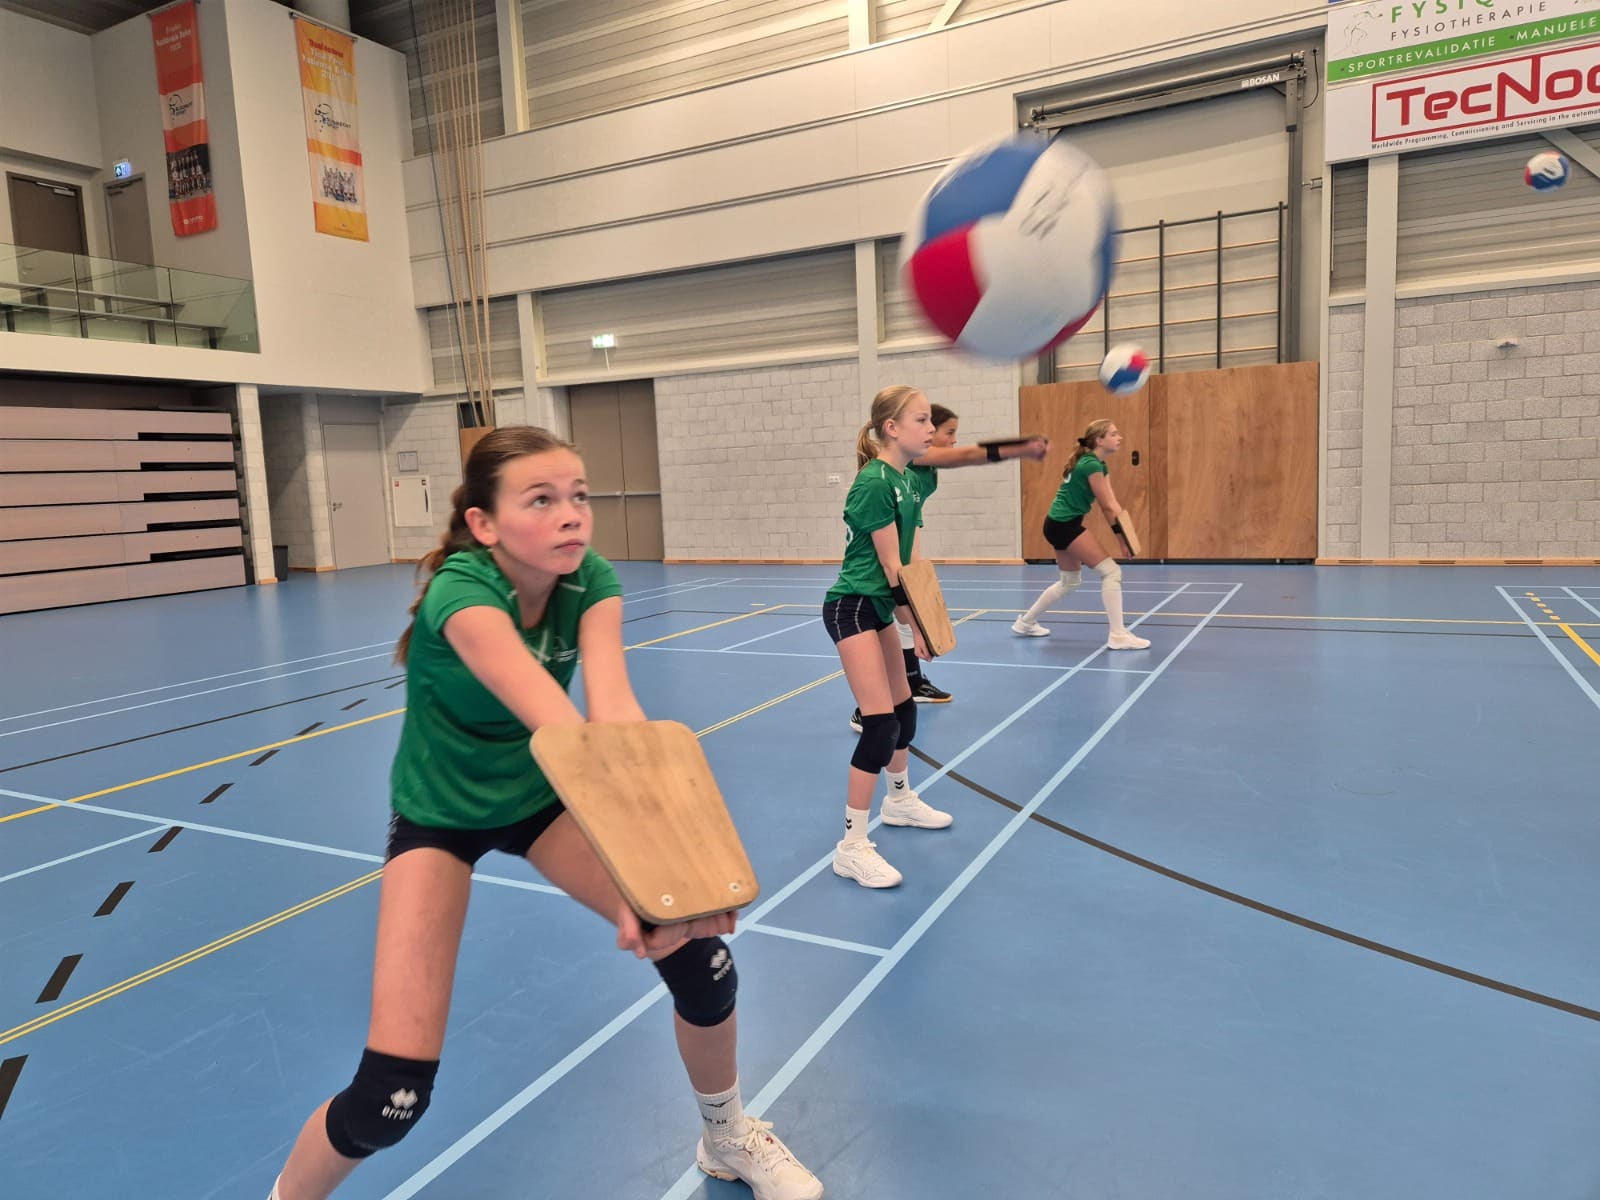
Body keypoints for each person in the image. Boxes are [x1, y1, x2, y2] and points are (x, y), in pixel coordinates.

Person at [267, 427, 821, 1200]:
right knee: (391, 1099)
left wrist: (670, 881)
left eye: (579, 497)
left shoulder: (589, 580)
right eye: (542, 500)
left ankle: (725, 1136)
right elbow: (560, 727)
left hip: (537, 799)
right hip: (441, 815)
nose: (571, 516)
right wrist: (638, 875)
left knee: (703, 961)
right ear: (485, 526)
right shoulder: (462, 595)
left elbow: (617, 715)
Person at [823, 387, 954, 890]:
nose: (931, 428)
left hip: (879, 604)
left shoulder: (910, 482)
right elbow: (891, 568)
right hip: (853, 605)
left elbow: (914, 567)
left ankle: (899, 801)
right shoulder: (875, 482)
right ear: (892, 429)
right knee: (879, 725)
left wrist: (923, 622)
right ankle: (851, 847)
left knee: (905, 711)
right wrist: (915, 627)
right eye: (922, 420)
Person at [847, 403, 1048, 731]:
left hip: (906, 531)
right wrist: (1019, 448)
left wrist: (916, 569)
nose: (953, 440)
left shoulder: (917, 472)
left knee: (906, 620)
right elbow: (967, 456)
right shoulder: (917, 455)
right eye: (948, 432)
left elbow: (913, 516)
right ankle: (865, 708)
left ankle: (911, 683)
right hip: (879, 551)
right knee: (898, 620)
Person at [1012, 418, 1151, 650]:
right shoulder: (1091, 465)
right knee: (1111, 572)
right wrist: (1122, 541)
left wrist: (1125, 538)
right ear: (1099, 440)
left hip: (1057, 523)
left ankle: (1026, 622)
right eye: (1114, 434)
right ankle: (1117, 635)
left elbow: (1113, 504)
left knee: (1069, 581)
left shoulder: (1097, 464)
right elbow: (1107, 507)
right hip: (1065, 525)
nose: (1120, 437)